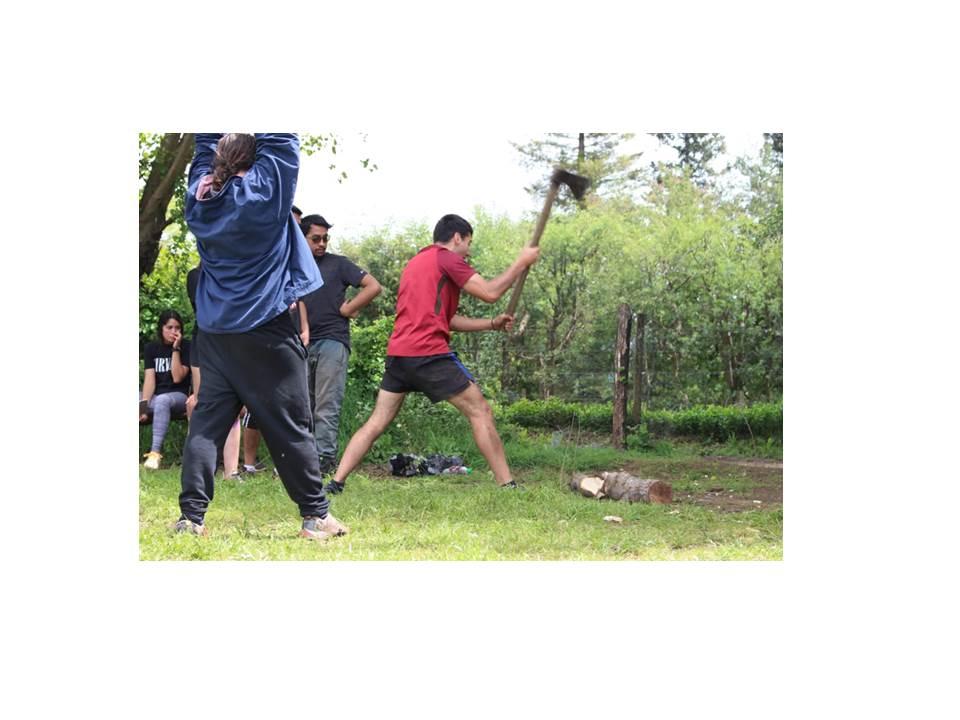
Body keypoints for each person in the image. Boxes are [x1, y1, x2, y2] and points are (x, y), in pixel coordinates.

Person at [175, 132, 346, 541]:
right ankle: (316, 517)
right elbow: (283, 139)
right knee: (291, 426)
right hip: (264, 332)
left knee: (207, 426)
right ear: (255, 161)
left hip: (215, 335)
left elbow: (205, 145)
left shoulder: (199, 200)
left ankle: (191, 519)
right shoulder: (266, 195)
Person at [327, 213, 539, 494]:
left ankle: (336, 482)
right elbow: (490, 292)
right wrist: (521, 262)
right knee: (481, 411)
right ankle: (507, 484)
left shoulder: (416, 264)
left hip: (400, 355)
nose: (468, 251)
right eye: (468, 243)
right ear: (457, 238)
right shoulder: (448, 258)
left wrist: (490, 324)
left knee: (377, 422)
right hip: (428, 353)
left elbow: (446, 320)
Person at [298, 213, 382, 477]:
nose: (322, 243)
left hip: (333, 340)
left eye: (325, 238)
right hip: (300, 342)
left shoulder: (338, 264)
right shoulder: (293, 266)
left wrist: (349, 308)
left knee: (326, 403)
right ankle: (303, 459)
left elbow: (373, 286)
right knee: (302, 405)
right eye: (316, 238)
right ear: (302, 238)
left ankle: (324, 459)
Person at [185, 262, 242, 479]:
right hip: (205, 344)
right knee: (202, 404)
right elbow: (209, 308)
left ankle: (231, 471)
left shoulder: (233, 271)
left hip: (232, 344)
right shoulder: (196, 276)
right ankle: (197, 467)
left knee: (235, 405)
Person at [140, 310, 192, 470]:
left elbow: (177, 377)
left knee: (163, 400)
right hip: (156, 396)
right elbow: (150, 380)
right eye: (169, 327)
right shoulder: (151, 348)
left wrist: (176, 349)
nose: (174, 332)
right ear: (161, 328)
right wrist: (143, 408)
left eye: (177, 328)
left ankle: (154, 454)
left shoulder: (187, 347)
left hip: (179, 397)